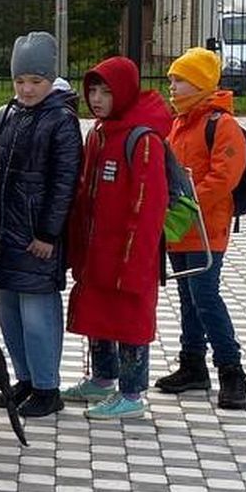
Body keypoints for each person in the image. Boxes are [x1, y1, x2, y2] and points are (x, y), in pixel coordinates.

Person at [65, 55, 170, 419]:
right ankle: (102, 378)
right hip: (98, 250)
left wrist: (134, 261)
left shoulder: (143, 139)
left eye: (106, 92)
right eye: (92, 90)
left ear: (123, 92)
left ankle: (132, 393)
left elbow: (148, 206)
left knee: (129, 320)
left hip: (129, 253)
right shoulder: (98, 133)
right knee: (99, 315)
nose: (96, 99)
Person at [0, 32, 82, 418]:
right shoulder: (6, 114)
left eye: (36, 81)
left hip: (36, 238)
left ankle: (47, 386)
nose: (27, 89)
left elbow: (64, 183)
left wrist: (48, 233)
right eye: (20, 80)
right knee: (9, 314)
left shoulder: (61, 121)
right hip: (5, 236)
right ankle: (24, 379)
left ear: (50, 79)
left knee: (38, 316)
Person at [154, 47, 246, 409]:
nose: (172, 86)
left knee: (206, 298)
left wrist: (186, 206)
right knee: (188, 299)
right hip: (179, 228)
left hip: (206, 229)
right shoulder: (178, 123)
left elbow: (224, 177)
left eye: (179, 80)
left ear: (200, 84)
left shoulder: (221, 124)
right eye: (171, 80)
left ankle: (231, 370)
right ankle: (192, 363)